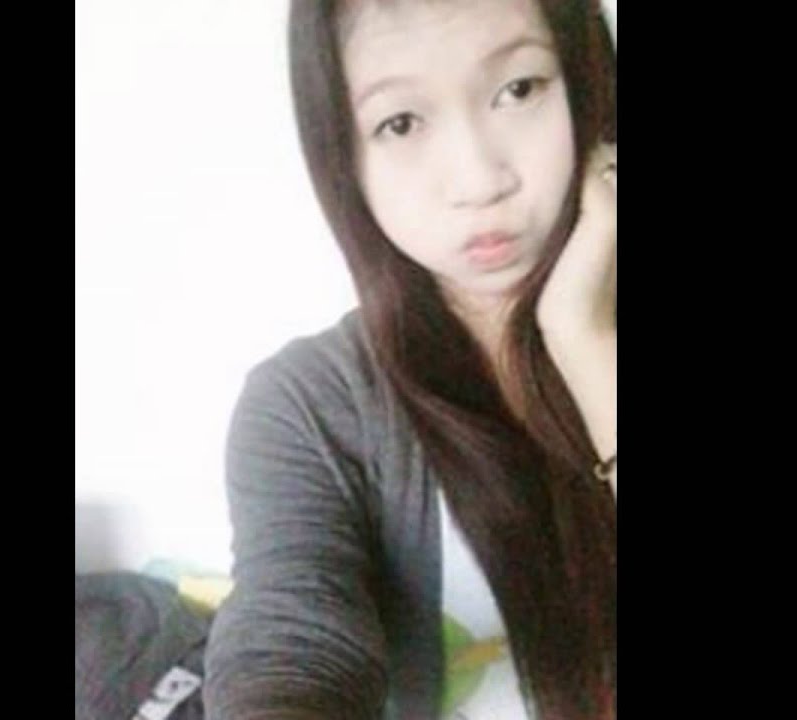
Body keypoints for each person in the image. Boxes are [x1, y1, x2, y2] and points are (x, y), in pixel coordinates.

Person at [204, 1, 616, 717]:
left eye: (518, 89)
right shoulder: (310, 405)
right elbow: (291, 645)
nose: (479, 181)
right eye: (400, 123)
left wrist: (586, 342)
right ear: (343, 155)